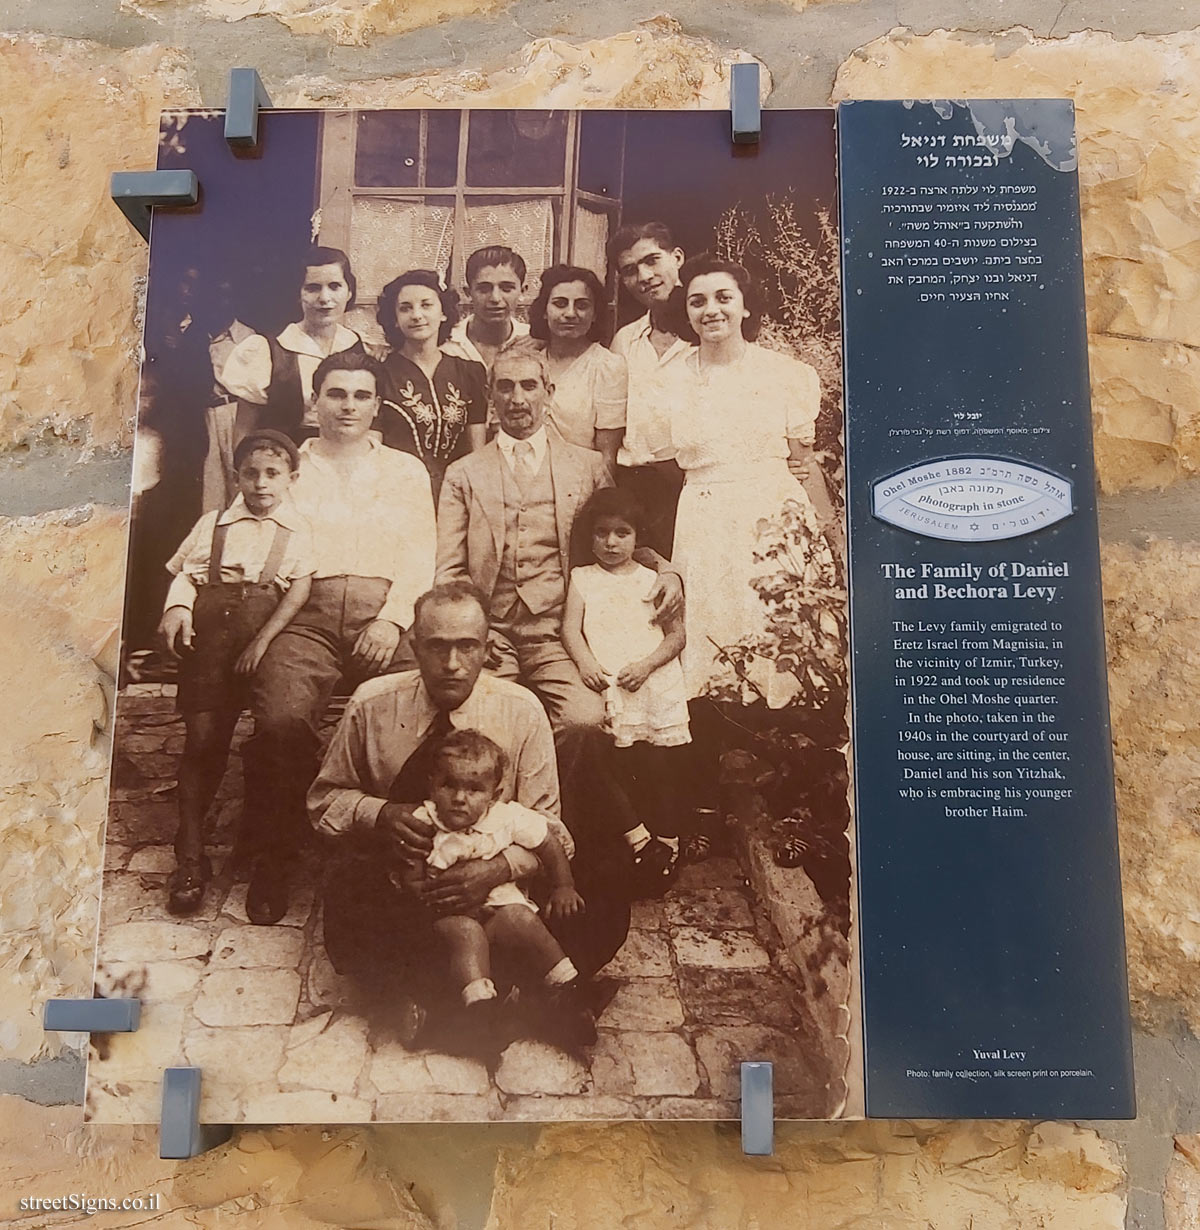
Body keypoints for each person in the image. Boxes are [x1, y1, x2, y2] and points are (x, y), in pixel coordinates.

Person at [309, 582, 629, 1042]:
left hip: (507, 903)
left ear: (489, 648)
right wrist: (381, 815)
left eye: (467, 647)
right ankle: (524, 1002)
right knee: (347, 889)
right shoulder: (371, 704)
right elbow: (323, 802)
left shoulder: (522, 711)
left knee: (607, 887)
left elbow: (549, 824)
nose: (452, 664)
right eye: (437, 647)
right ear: (413, 645)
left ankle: (442, 1006)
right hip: (417, 892)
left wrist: (494, 869)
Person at [243, 351, 435, 925]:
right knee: (281, 717)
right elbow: (240, 534)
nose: (347, 406)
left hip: (386, 610)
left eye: (359, 396)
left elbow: (422, 553)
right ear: (314, 400)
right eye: (335, 394)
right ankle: (279, 850)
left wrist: (392, 619)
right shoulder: (288, 467)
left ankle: (386, 846)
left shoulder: (405, 470)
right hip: (307, 611)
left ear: (378, 405)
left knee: (414, 713)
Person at [157, 430, 314, 915]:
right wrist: (178, 608)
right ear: (236, 475)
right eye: (251, 473)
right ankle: (189, 855)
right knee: (204, 742)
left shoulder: (299, 530)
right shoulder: (213, 524)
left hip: (263, 639)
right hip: (211, 642)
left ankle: (264, 845)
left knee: (273, 736)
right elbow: (185, 573)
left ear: (292, 478)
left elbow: (299, 591)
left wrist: (263, 642)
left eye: (272, 474)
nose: (261, 483)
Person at [667, 253, 834, 706]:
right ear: (687, 312)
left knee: (775, 628)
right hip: (703, 517)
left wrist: (831, 536)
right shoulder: (669, 379)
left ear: (745, 307)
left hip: (772, 513)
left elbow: (805, 460)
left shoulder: (785, 374)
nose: (711, 310)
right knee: (712, 633)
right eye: (697, 301)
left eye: (724, 298)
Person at [393, 729, 593, 1040]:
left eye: (474, 789)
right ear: (433, 783)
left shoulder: (508, 817)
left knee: (521, 917)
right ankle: (480, 1010)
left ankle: (566, 988)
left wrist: (563, 885)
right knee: (467, 933)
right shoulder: (424, 820)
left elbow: (548, 843)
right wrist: (426, 893)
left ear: (494, 795)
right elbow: (412, 877)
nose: (460, 798)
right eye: (449, 785)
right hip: (449, 917)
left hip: (500, 913)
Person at [562, 486, 690, 890]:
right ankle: (638, 839)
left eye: (622, 533)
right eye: (602, 533)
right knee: (610, 763)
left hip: (651, 683)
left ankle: (669, 843)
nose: (612, 542)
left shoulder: (654, 580)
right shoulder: (582, 579)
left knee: (658, 767)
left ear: (638, 536)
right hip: (613, 683)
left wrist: (647, 665)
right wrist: (585, 664)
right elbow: (570, 629)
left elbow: (677, 637)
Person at [219, 246, 366, 445]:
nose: (324, 298)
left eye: (334, 286)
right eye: (312, 288)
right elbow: (244, 431)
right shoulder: (268, 351)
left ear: (349, 292)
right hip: (284, 462)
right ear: (298, 293)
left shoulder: (361, 346)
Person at [609, 222, 692, 556]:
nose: (643, 276)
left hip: (690, 486)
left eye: (652, 261)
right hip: (635, 489)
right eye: (630, 270)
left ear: (677, 257)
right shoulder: (625, 340)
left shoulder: (709, 334)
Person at [375, 269, 487, 502]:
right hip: (397, 496)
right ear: (394, 320)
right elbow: (373, 452)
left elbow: (478, 453)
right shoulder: (379, 375)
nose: (416, 315)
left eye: (426, 305)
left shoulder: (469, 373)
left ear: (443, 313)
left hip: (457, 497)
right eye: (405, 308)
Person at [527, 264, 626, 475]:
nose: (570, 313)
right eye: (560, 304)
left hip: (578, 484)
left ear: (595, 314)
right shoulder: (528, 361)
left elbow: (607, 456)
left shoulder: (607, 367)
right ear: (544, 311)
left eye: (582, 305)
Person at [441, 246, 531, 372]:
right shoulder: (447, 341)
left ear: (522, 291)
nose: (495, 298)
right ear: (468, 292)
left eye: (506, 288)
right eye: (484, 289)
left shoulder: (533, 341)